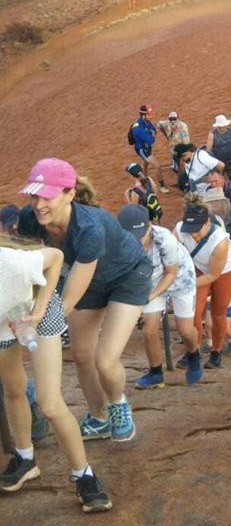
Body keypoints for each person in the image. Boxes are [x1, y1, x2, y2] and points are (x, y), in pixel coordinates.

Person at [18, 158, 152, 443]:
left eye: (48, 196)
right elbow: (35, 267)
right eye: (34, 195)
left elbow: (70, 296)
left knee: (104, 360)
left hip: (127, 276)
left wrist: (43, 320)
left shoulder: (90, 227)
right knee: (81, 356)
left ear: (69, 194)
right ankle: (98, 416)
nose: (39, 204)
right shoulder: (30, 220)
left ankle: (118, 404)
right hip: (91, 282)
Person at [0, 236, 112, 510]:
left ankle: (83, 473)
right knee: (13, 389)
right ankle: (25, 459)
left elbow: (55, 256)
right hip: (5, 320)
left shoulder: (13, 263)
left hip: (39, 307)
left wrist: (39, 308)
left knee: (49, 403)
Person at [116, 204, 202, 388]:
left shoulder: (164, 238)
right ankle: (156, 372)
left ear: (149, 226)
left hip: (180, 277)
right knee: (148, 330)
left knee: (185, 329)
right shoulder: (120, 242)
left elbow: (171, 273)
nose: (137, 241)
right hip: (152, 280)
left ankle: (194, 354)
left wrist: (148, 297)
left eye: (140, 235)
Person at [174, 198, 231, 370]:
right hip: (199, 267)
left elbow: (213, 275)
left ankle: (216, 351)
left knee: (218, 313)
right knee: (193, 312)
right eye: (190, 230)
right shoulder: (180, 231)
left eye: (197, 230)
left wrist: (185, 283)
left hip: (224, 271)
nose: (193, 235)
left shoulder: (220, 242)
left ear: (207, 222)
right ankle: (192, 350)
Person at [128, 104, 168, 192]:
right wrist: (152, 134)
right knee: (157, 166)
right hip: (143, 150)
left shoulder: (146, 121)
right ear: (143, 115)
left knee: (145, 164)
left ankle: (143, 183)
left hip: (146, 147)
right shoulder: (138, 129)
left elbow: (153, 129)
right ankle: (162, 186)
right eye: (149, 114)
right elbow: (151, 140)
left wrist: (152, 133)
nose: (151, 116)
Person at [206, 114, 231, 183]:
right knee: (219, 180)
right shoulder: (212, 134)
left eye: (223, 126)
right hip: (218, 163)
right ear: (217, 126)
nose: (222, 128)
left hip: (230, 160)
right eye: (220, 127)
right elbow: (208, 151)